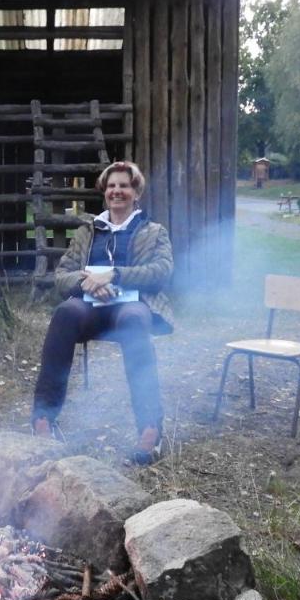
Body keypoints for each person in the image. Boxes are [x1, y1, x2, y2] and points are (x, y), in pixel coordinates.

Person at [31, 160, 173, 464]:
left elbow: (162, 271)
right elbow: (62, 275)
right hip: (90, 307)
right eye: (111, 186)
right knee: (65, 313)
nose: (116, 191)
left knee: (134, 320)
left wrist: (115, 275)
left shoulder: (153, 231)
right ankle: (43, 419)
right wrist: (88, 282)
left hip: (131, 305)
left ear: (136, 192)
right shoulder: (88, 231)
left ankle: (150, 428)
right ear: (104, 192)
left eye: (124, 185)